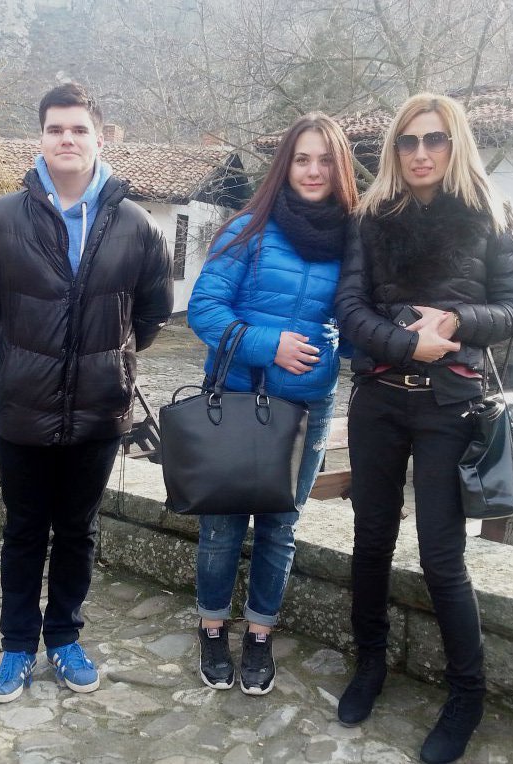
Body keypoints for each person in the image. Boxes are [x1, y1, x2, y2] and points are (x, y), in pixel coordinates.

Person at [0, 82, 173, 704]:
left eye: (79, 129)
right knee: (24, 530)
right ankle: (17, 645)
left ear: (100, 138)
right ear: (41, 137)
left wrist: (109, 358)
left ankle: (65, 638)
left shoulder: (134, 224)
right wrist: (16, 348)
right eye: (56, 129)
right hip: (21, 405)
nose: (67, 139)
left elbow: (153, 310)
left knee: (78, 531)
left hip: (100, 409)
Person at [333, 93, 513, 763]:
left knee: (442, 556)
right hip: (380, 400)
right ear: (395, 149)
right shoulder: (371, 218)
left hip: (451, 404)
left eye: (434, 139)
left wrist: (457, 323)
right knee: (371, 539)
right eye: (409, 141)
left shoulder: (490, 213)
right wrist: (404, 343)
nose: (421, 152)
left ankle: (466, 695)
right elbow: (349, 307)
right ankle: (370, 663)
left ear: (455, 144)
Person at [187, 113, 357, 695]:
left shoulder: (355, 241)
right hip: (237, 399)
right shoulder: (248, 230)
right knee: (222, 525)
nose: (313, 171)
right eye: (302, 159)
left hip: (308, 408)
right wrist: (270, 345)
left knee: (280, 527)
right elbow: (204, 311)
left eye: (325, 160)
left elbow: (355, 326)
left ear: (340, 168)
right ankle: (212, 627)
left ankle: (259, 635)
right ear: (285, 166)